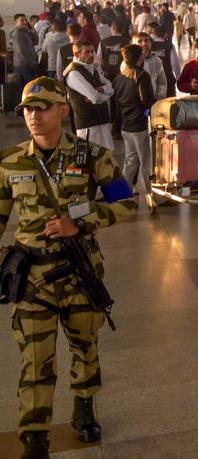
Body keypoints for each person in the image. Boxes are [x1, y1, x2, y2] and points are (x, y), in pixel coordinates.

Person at [0, 77, 136, 458]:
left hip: (79, 274)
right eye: (27, 109)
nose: (33, 116)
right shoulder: (10, 163)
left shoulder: (92, 156)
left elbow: (127, 203)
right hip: (32, 281)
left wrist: (84, 220)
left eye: (42, 108)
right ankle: (35, 439)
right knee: (34, 362)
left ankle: (83, 406)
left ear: (63, 109)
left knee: (85, 346)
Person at [112, 45, 157, 201]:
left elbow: (116, 104)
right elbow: (147, 100)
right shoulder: (142, 75)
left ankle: (123, 193)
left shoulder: (119, 77)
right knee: (146, 162)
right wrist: (153, 110)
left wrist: (116, 128)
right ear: (140, 58)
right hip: (140, 126)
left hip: (126, 126)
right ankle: (151, 195)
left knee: (130, 161)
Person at [63, 41, 116, 150]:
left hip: (102, 120)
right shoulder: (73, 73)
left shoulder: (93, 69)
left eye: (92, 51)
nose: (92, 55)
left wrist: (101, 89)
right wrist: (106, 97)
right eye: (87, 52)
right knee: (88, 160)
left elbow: (111, 88)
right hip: (88, 125)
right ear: (77, 54)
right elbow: (95, 97)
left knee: (106, 157)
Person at [132, 32, 169, 99]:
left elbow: (162, 83)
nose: (144, 44)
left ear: (150, 43)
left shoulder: (157, 61)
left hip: (154, 102)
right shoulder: (129, 63)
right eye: (139, 41)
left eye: (146, 40)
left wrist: (159, 98)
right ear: (134, 45)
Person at [10, 15, 38, 86]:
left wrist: (32, 29)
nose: (25, 22)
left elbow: (36, 41)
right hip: (23, 65)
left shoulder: (25, 32)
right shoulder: (17, 33)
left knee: (30, 88)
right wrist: (31, 61)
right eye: (22, 20)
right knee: (26, 89)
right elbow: (21, 50)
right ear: (16, 22)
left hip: (28, 64)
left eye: (25, 20)